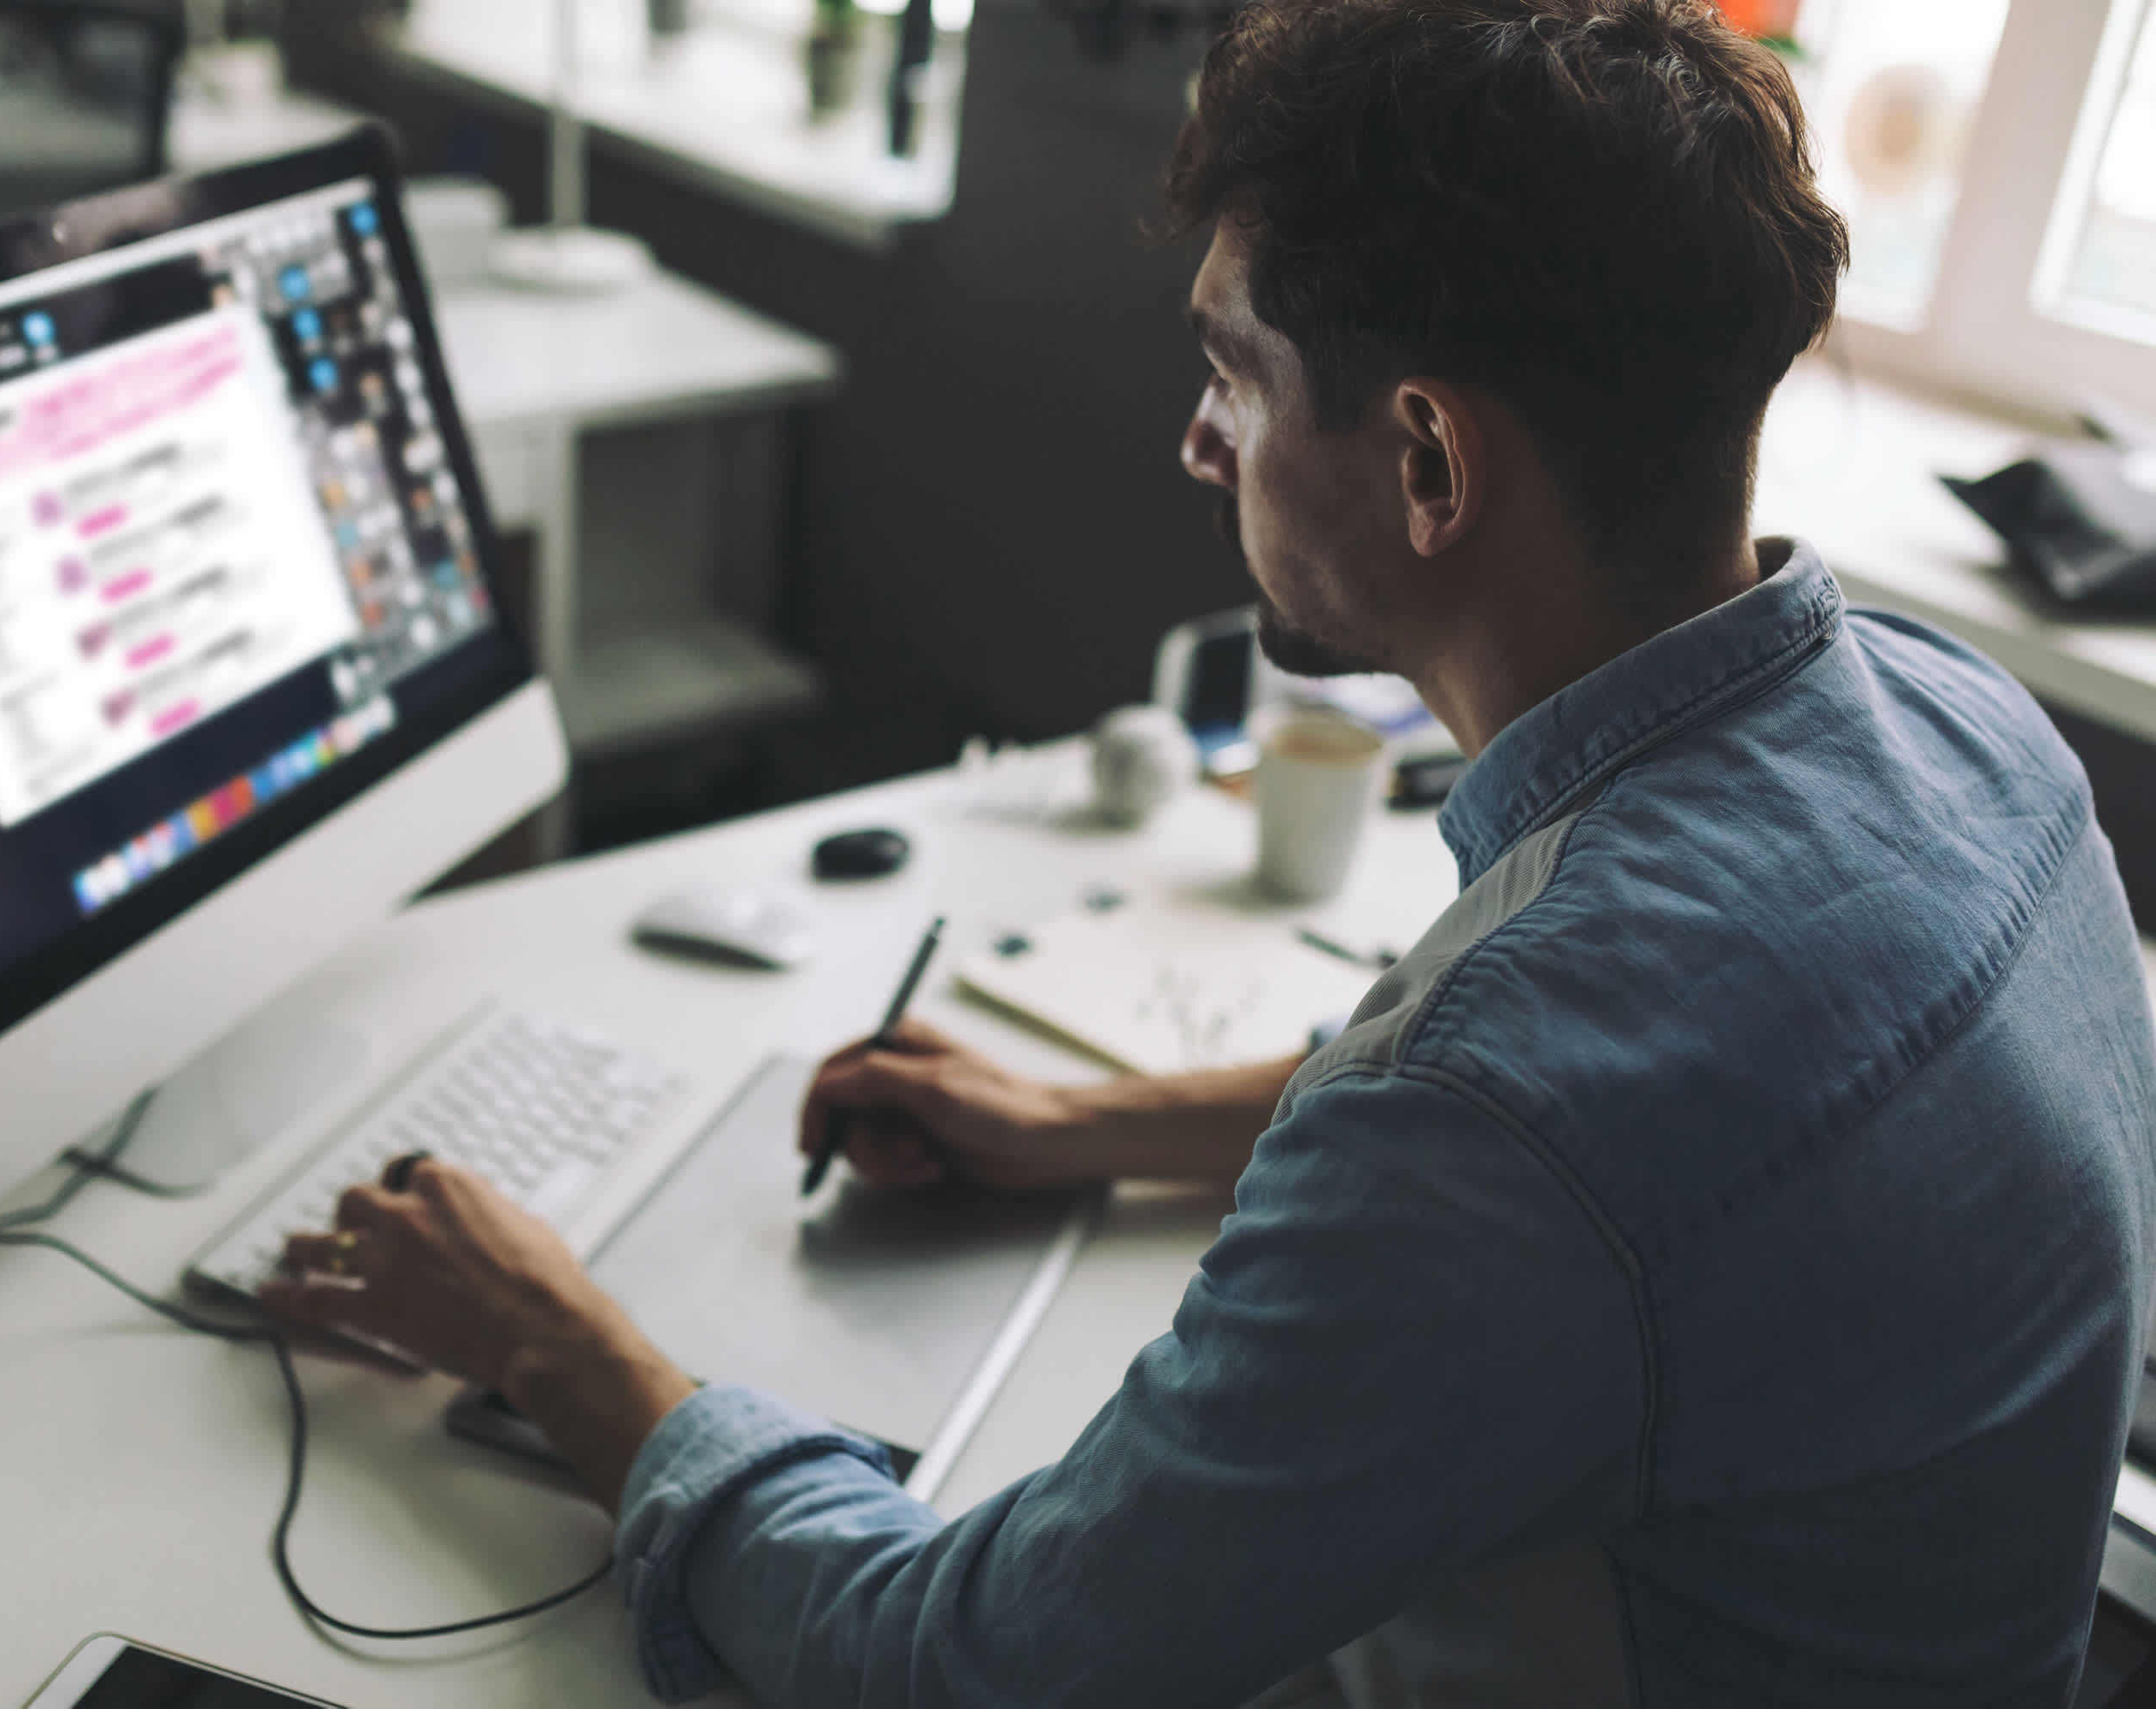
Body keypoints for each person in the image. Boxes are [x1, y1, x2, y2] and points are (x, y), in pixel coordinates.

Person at [259, 1, 2156, 1701]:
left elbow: (959, 1665)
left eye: (1234, 373)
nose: (1196, 441)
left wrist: (564, 1346)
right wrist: (1083, 1126)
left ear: (1429, 462)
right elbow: (1620, 1165)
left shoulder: (1510, 1114)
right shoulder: (1967, 726)